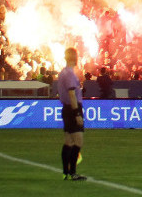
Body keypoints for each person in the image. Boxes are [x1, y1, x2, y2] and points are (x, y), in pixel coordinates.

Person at [56, 46, 87, 181]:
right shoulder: (69, 74)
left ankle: (66, 172)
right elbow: (72, 94)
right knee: (78, 141)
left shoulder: (63, 72)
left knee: (68, 141)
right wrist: (77, 113)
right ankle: (73, 172)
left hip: (66, 108)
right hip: (72, 108)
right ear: (75, 59)